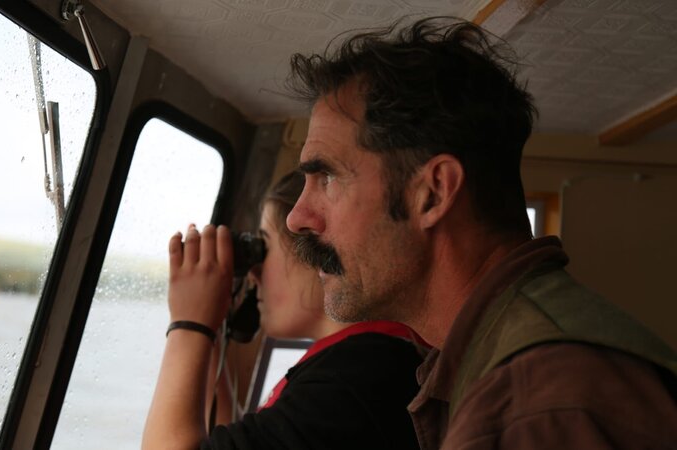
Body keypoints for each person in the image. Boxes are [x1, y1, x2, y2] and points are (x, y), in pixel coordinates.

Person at [283, 17, 677, 449]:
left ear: (433, 193)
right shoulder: (497, 364)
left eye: (328, 178)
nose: (297, 218)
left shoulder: (536, 400)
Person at [142, 170, 424, 449]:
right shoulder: (365, 361)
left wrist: (189, 324)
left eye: (263, 248)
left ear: (315, 254)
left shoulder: (354, 380)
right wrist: (209, 330)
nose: (253, 273)